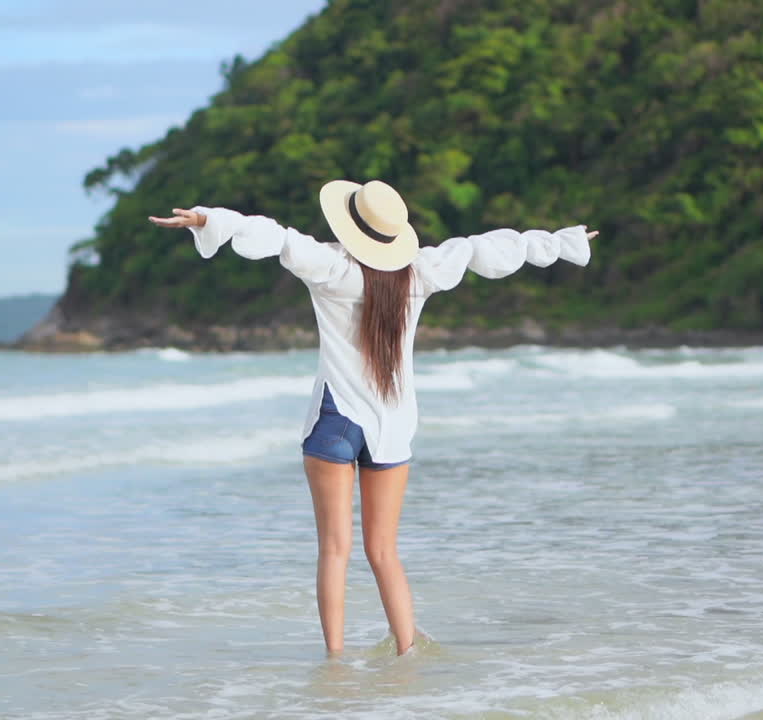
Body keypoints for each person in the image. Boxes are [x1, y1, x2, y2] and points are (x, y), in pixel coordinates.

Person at [149, 179, 596, 656]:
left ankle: (335, 660)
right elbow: (482, 249)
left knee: (334, 550)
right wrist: (562, 242)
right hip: (392, 425)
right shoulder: (420, 273)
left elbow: (274, 236)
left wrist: (208, 219)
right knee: (383, 551)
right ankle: (407, 649)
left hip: (335, 420)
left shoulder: (331, 268)